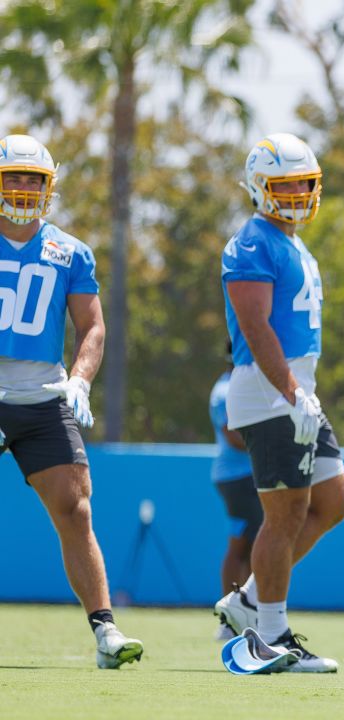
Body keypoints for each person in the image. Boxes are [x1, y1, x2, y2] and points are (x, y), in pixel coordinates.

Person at [0, 133, 142, 669]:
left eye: (33, 178)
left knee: (75, 509)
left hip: (42, 396)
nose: (23, 187)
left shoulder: (70, 250)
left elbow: (92, 327)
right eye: (13, 175)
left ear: (49, 186)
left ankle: (105, 631)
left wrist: (80, 381)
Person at [214, 133, 344, 673]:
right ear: (258, 188)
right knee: (286, 514)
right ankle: (271, 635)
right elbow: (255, 324)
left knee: (333, 501)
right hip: (270, 395)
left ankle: (248, 600)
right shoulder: (253, 241)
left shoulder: (294, 242)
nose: (295, 194)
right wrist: (291, 393)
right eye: (283, 185)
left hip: (297, 395)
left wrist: (301, 395)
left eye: (302, 184)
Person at [210, 339, 260, 641]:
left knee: (247, 544)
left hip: (243, 477)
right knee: (246, 546)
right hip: (239, 477)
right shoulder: (226, 390)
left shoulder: (235, 384)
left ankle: (240, 614)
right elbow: (233, 436)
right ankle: (234, 617)